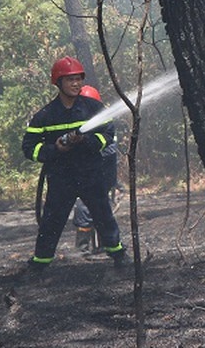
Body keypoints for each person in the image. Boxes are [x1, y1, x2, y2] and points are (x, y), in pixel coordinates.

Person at [21, 56, 129, 272]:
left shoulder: (94, 108)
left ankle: (119, 256)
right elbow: (29, 148)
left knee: (103, 215)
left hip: (90, 173)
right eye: (70, 80)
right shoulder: (45, 116)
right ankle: (39, 265)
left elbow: (107, 134)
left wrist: (87, 141)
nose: (76, 84)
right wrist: (55, 149)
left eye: (79, 79)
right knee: (52, 221)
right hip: (61, 177)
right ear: (58, 83)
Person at [72, 84, 123, 254]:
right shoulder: (77, 121)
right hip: (85, 176)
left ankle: (104, 245)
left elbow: (109, 150)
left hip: (101, 175)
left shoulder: (104, 123)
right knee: (84, 209)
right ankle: (83, 247)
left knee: (100, 209)